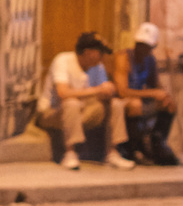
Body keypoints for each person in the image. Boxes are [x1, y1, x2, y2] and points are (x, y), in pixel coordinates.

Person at [37, 31, 135, 171]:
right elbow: (63, 93)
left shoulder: (98, 67)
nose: (102, 57)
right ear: (88, 52)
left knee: (115, 104)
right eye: (100, 53)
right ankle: (70, 153)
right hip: (52, 112)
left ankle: (112, 153)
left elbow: (99, 94)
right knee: (71, 103)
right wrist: (97, 90)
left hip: (83, 112)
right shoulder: (63, 60)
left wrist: (107, 91)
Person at [115, 21, 180, 166]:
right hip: (124, 101)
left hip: (141, 98)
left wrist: (163, 95)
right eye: (140, 44)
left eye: (146, 46)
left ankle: (157, 142)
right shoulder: (124, 57)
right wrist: (152, 93)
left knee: (169, 104)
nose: (142, 49)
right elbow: (122, 91)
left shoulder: (150, 60)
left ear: (152, 47)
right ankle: (132, 147)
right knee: (135, 104)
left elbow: (157, 85)